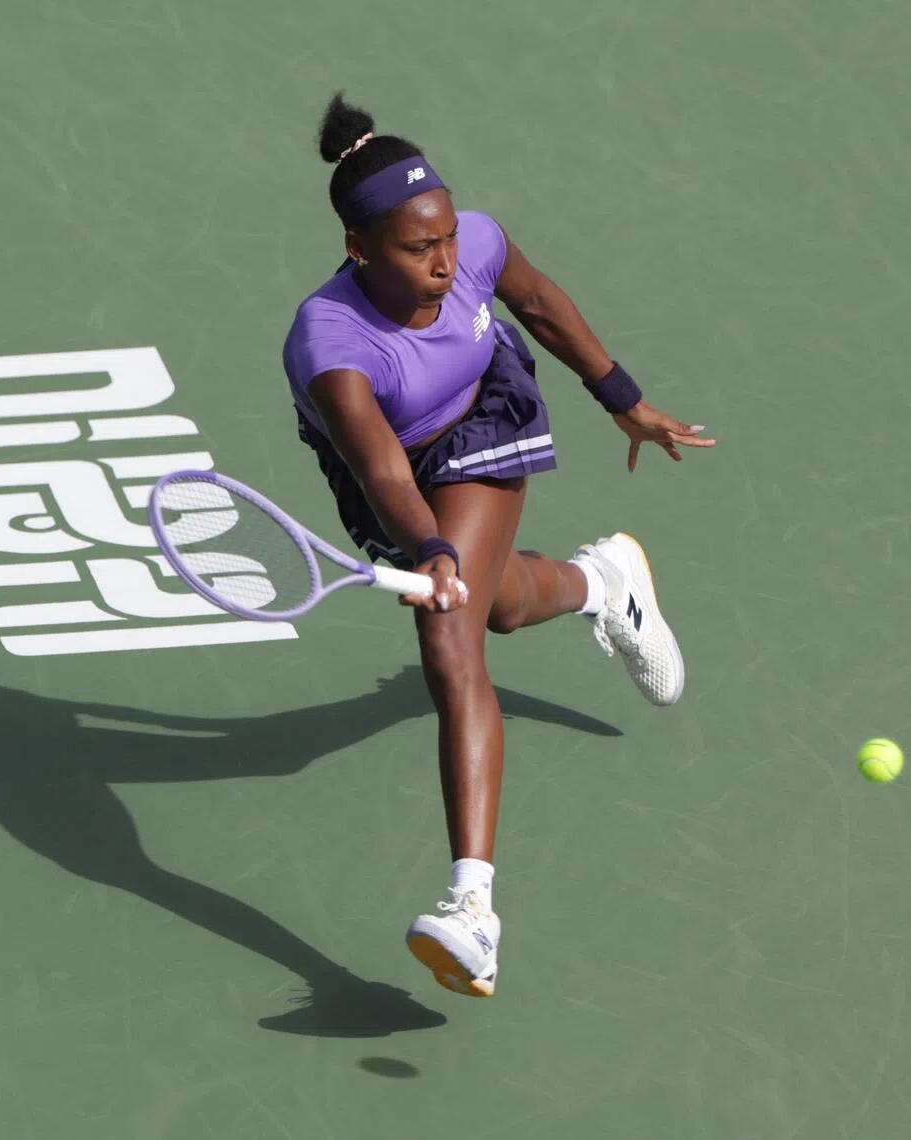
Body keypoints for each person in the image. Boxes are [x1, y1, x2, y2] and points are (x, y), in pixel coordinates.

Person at [282, 93, 715, 998]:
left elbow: (540, 304)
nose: (443, 261)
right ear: (358, 250)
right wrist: (433, 549)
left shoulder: (473, 242)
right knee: (499, 607)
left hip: (483, 417)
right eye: (416, 248)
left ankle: (471, 909)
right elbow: (385, 479)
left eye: (444, 237)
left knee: (451, 638)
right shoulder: (330, 344)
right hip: (393, 467)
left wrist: (623, 398)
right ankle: (604, 582)